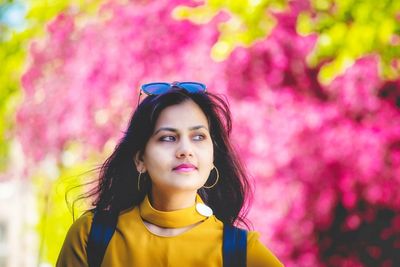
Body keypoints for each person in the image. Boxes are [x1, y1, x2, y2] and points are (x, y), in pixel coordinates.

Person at [56, 82, 284, 267]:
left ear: (213, 157)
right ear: (140, 160)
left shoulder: (240, 251)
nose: (186, 150)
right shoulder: (92, 236)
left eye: (198, 137)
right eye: (168, 137)